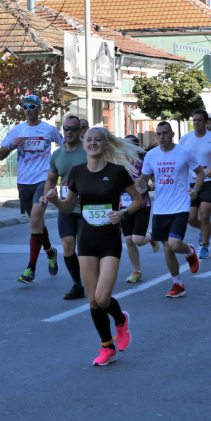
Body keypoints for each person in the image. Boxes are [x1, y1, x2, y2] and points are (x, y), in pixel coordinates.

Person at [42, 128, 143, 366]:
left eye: (98, 140)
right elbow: (69, 207)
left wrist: (123, 213)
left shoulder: (117, 172)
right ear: (84, 145)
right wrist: (55, 200)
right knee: (93, 300)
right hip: (86, 239)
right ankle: (107, 347)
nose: (93, 143)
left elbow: (137, 200)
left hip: (109, 240)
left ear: (106, 145)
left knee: (102, 296)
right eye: (89, 140)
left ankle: (120, 319)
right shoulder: (77, 173)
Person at [0, 94, 64, 285]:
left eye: (31, 106)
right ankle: (51, 252)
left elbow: (65, 146)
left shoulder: (49, 130)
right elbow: (0, 154)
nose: (27, 109)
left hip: (44, 180)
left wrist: (59, 167)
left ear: (38, 109)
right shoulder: (17, 129)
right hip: (24, 183)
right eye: (25, 106)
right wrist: (12, 145)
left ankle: (31, 269)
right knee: (37, 223)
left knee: (35, 220)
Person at [140, 122, 204, 298]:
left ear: (172, 134)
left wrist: (195, 190)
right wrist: (142, 186)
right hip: (160, 208)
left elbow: (200, 173)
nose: (161, 137)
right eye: (158, 134)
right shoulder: (151, 155)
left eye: (165, 133)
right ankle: (178, 283)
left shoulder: (184, 153)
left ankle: (190, 251)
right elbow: (145, 179)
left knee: (175, 245)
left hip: (180, 205)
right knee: (167, 249)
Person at [44, 115, 88, 300]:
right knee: (67, 245)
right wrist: (47, 195)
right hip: (66, 207)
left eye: (73, 128)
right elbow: (51, 179)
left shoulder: (88, 150)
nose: (69, 132)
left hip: (88, 208)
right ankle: (77, 285)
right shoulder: (57, 154)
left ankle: (95, 280)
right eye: (66, 129)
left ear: (80, 131)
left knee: (85, 248)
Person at [179, 109, 211, 259]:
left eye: (199, 120)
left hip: (208, 181)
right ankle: (205, 229)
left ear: (206, 122)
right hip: (191, 183)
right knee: (191, 219)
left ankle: (204, 245)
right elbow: (180, 159)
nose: (196, 123)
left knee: (205, 214)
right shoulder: (185, 139)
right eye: (194, 120)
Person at [120, 135, 160, 283]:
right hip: (124, 205)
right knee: (128, 240)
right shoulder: (119, 163)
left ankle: (152, 238)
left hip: (142, 205)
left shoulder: (144, 163)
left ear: (135, 148)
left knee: (137, 239)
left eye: (129, 146)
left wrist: (146, 187)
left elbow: (157, 182)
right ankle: (137, 270)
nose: (125, 149)